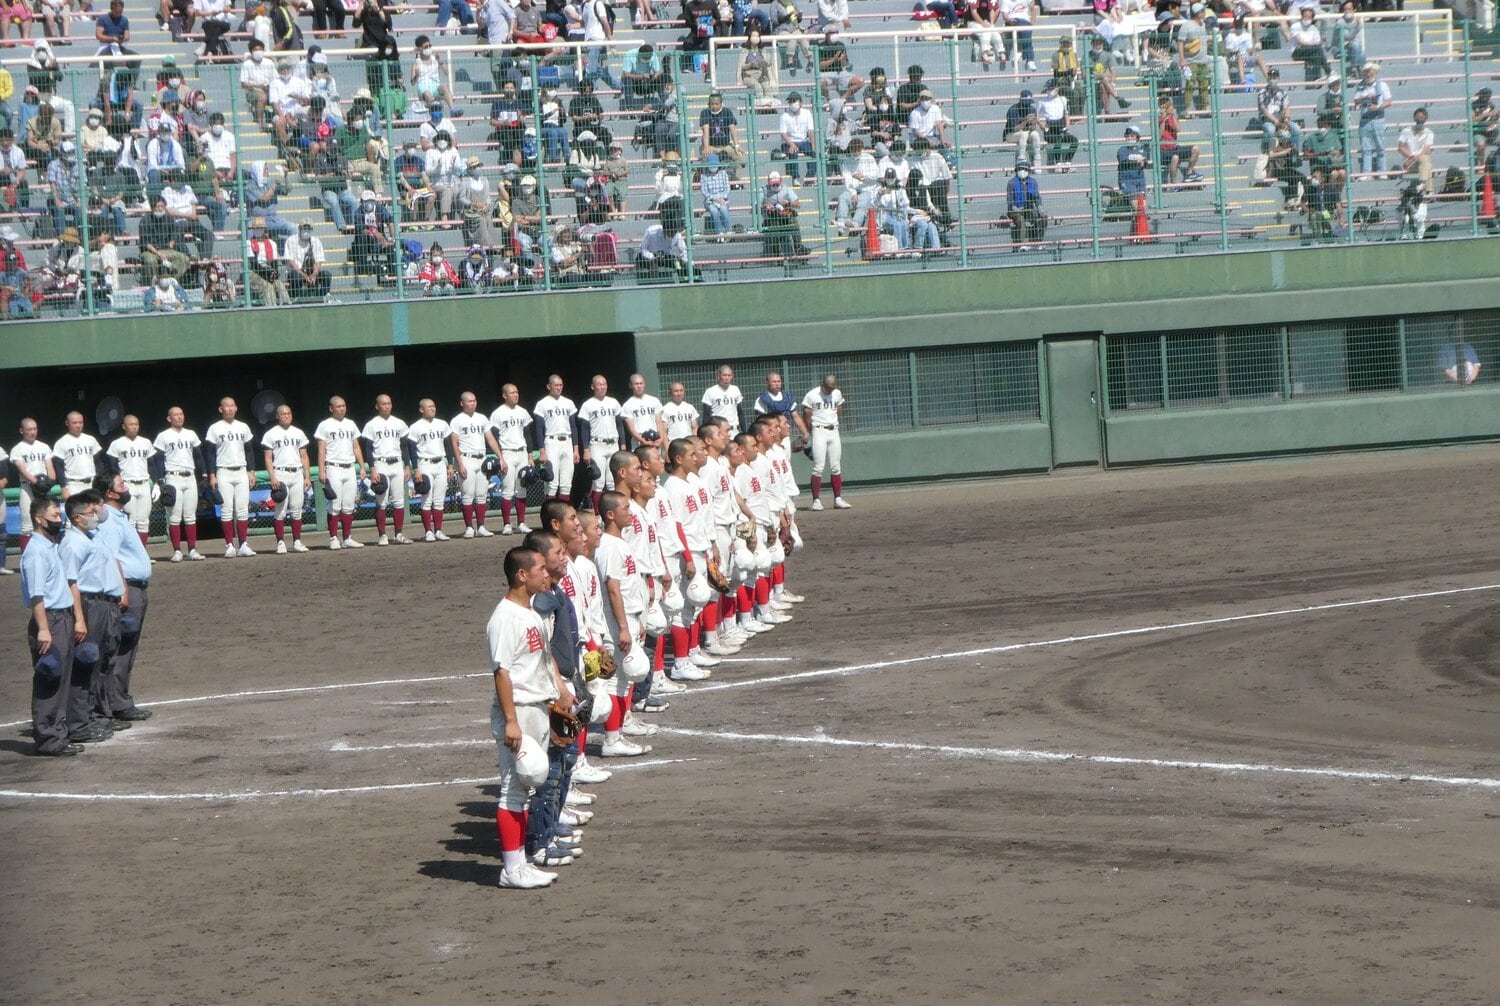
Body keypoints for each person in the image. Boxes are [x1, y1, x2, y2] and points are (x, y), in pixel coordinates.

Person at [487, 545, 567, 889]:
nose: (545, 574)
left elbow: (544, 659)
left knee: (528, 785)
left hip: (538, 706)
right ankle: (511, 868)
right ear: (522, 574)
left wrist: (560, 692)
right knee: (514, 788)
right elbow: (501, 671)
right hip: (518, 709)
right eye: (539, 569)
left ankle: (520, 863)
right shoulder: (504, 618)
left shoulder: (531, 612)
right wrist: (510, 720)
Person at [20, 495, 87, 757]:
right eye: (55, 516)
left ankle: (58, 733)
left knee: (63, 679)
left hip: (63, 617)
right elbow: (37, 595)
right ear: (39, 519)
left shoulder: (50, 546)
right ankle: (48, 738)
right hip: (50, 619)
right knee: (51, 678)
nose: (60, 520)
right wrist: (43, 629)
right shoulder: (36, 552)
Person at [57, 491, 118, 747]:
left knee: (96, 663)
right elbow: (71, 582)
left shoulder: (89, 537)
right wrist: (79, 618)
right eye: (91, 512)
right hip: (88, 603)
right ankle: (79, 724)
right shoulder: (72, 543)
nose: (96, 516)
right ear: (77, 517)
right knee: (85, 663)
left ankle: (89, 716)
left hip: (100, 602)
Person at [92, 474, 153, 727]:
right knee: (118, 649)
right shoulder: (108, 519)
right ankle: (113, 705)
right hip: (127, 591)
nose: (126, 488)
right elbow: (111, 557)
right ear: (109, 493)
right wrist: (123, 590)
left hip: (135, 589)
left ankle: (118, 701)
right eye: (121, 485)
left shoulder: (118, 516)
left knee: (127, 647)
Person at [205, 396, 257, 558]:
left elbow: (249, 450)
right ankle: (229, 545)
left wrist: (252, 471)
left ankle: (243, 544)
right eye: (226, 406)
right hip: (223, 471)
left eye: (232, 406)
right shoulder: (215, 428)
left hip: (241, 470)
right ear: (221, 409)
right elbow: (210, 453)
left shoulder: (243, 426)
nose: (229, 408)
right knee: (226, 510)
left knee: (242, 509)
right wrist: (212, 475)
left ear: (236, 408)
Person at [315, 396, 367, 551]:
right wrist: (321, 469)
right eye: (338, 406)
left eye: (344, 405)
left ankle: (347, 537)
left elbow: (356, 446)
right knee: (335, 505)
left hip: (350, 467)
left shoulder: (350, 423)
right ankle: (333, 538)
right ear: (331, 408)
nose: (342, 408)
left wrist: (362, 466)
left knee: (349, 505)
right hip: (333, 466)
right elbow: (321, 449)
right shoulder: (324, 425)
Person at [154, 406, 204, 561]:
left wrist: (204, 474)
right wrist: (160, 480)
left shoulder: (191, 434)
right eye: (176, 415)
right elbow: (157, 459)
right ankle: (177, 550)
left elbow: (198, 455)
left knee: (190, 516)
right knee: (174, 516)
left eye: (181, 414)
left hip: (190, 476)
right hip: (172, 477)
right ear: (169, 418)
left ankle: (192, 550)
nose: (179, 417)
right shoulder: (163, 436)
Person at [361, 394, 413, 546]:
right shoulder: (372, 424)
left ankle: (398, 534)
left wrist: (407, 466)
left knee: (399, 501)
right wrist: (372, 469)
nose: (387, 406)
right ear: (377, 406)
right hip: (380, 463)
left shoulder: (399, 423)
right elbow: (368, 448)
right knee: (381, 502)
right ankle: (382, 535)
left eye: (389, 403)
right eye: (383, 404)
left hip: (397, 463)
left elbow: (404, 446)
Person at [450, 390, 503, 539]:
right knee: (467, 495)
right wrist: (459, 463)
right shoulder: (457, 420)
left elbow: (490, 439)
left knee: (481, 495)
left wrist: (500, 457)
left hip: (482, 458)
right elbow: (454, 443)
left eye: (474, 401)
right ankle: (469, 528)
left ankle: (481, 526)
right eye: (469, 401)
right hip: (466, 458)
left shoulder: (482, 418)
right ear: (462, 403)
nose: (473, 403)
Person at [260, 405, 311, 555]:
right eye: (283, 414)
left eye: (289, 413)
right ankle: (280, 542)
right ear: (277, 416)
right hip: (280, 473)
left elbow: (304, 455)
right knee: (280, 510)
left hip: (297, 473)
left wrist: (307, 476)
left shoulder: (299, 432)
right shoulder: (271, 434)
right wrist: (272, 476)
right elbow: (268, 458)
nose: (286, 416)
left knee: (297, 509)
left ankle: (297, 541)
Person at [488, 384, 534, 535]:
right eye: (512, 392)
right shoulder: (498, 413)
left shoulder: (523, 412)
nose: (516, 395)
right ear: (504, 395)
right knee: (507, 490)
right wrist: (499, 457)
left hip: (521, 452)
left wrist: (530, 456)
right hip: (507, 453)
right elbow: (493, 437)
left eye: (517, 392)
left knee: (522, 489)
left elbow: (528, 435)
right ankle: (507, 524)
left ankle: (521, 523)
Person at [104, 415, 157, 548]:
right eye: (131, 424)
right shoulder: (117, 443)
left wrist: (156, 483)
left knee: (144, 521)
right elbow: (112, 466)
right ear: (124, 426)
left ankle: (142, 552)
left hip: (144, 483)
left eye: (136, 424)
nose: (134, 427)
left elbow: (152, 464)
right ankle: (131, 551)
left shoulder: (146, 442)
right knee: (131, 521)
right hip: (127, 484)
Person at [406, 398, 454, 542]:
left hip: (440, 463)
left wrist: (450, 465)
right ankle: (428, 531)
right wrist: (416, 469)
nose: (432, 409)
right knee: (426, 500)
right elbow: (412, 450)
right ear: (421, 409)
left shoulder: (442, 424)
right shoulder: (415, 427)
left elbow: (448, 445)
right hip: (424, 463)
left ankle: (438, 530)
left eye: (433, 406)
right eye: (429, 407)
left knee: (439, 500)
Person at [802, 374, 850, 510]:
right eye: (828, 388)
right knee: (819, 467)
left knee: (836, 466)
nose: (830, 391)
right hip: (819, 430)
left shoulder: (837, 393)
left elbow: (839, 408)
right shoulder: (812, 395)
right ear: (822, 384)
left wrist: (833, 421)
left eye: (832, 388)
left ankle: (838, 498)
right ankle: (816, 500)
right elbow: (806, 413)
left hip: (833, 430)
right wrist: (810, 430)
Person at [577, 376, 624, 510]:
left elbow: (620, 425)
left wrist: (623, 444)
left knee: (612, 482)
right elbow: (584, 429)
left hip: (613, 443)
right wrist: (585, 449)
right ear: (593, 387)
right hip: (597, 444)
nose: (602, 387)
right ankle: (598, 515)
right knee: (598, 481)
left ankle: (613, 511)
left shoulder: (613, 402)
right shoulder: (588, 404)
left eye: (604, 384)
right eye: (599, 384)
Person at [534, 375, 579, 503]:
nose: (559, 388)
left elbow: (574, 426)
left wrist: (576, 449)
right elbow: (538, 429)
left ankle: (563, 515)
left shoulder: (568, 402)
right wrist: (542, 451)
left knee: (566, 484)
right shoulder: (542, 403)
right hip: (551, 441)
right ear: (549, 386)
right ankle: (550, 513)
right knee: (552, 483)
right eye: (556, 385)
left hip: (567, 441)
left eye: (560, 385)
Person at [53, 410, 103, 500]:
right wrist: (63, 488)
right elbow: (59, 468)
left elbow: (98, 463)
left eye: (80, 422)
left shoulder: (90, 439)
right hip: (73, 484)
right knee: (77, 513)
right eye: (74, 423)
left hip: (92, 483)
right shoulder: (61, 443)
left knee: (94, 513)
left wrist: (100, 482)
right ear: (67, 423)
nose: (78, 425)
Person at [1352, 61, 1391, 174]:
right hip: (1365, 120)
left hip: (1378, 119)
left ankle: (1381, 171)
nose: (1368, 74)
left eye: (1370, 72)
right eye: (1366, 72)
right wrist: (1364, 98)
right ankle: (1367, 172)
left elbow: (1388, 101)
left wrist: (1378, 106)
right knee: (1366, 148)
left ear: (1375, 72)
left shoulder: (1383, 85)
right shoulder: (1360, 86)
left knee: (1380, 147)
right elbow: (1356, 101)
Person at [753, 371, 809, 443]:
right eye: (774, 382)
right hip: (771, 436)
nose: (777, 384)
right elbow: (759, 421)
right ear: (767, 383)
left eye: (779, 381)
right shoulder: (762, 399)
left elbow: (796, 417)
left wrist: (805, 434)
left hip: (785, 435)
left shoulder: (788, 398)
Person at [778, 92, 817, 183]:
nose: (792, 103)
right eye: (790, 101)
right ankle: (795, 177)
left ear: (800, 102)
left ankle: (810, 178)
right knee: (793, 151)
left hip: (803, 141)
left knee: (814, 153)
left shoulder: (807, 113)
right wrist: (791, 144)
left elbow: (810, 131)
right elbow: (783, 134)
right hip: (788, 142)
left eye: (794, 101)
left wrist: (813, 145)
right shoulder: (784, 116)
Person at [1007, 160, 1046, 248]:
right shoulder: (1011, 183)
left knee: (1042, 218)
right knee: (1020, 219)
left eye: (1025, 169)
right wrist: (1015, 209)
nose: (1022, 171)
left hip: (1029, 208)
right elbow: (1010, 200)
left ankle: (1038, 241)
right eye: (1020, 169)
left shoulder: (1033, 182)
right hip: (1015, 210)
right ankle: (1024, 243)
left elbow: (1037, 197)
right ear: (1016, 170)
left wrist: (1040, 208)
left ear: (1028, 171)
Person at [1397, 107, 1434, 192]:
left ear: (1425, 119)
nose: (1419, 119)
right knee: (1427, 163)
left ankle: (1423, 184)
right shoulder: (1406, 131)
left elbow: (1426, 149)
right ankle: (1428, 189)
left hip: (1421, 160)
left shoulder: (1429, 133)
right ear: (1414, 118)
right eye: (1418, 117)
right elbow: (1400, 147)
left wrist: (1418, 157)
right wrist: (1411, 156)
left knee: (1425, 159)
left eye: (1422, 118)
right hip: (1410, 162)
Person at [701, 365, 744, 436]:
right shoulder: (710, 391)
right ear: (718, 376)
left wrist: (744, 431)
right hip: (719, 431)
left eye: (729, 375)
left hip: (734, 430)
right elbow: (706, 415)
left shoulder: (735, 389)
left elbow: (740, 412)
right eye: (724, 375)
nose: (727, 378)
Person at [999, 0, 1038, 71]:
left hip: (1024, 22)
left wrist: (1032, 23)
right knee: (1022, 29)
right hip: (1011, 22)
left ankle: (1026, 58)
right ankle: (1029, 59)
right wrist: (1010, 20)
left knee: (1025, 28)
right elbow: (1005, 16)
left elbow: (1033, 8)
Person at [1117, 125, 1150, 196]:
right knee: (1134, 199)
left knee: (1143, 203)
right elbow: (1123, 162)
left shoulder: (1141, 150)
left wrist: (1143, 163)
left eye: (1132, 136)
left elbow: (1145, 164)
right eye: (1127, 136)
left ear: (1137, 137)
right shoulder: (1122, 150)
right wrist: (1136, 162)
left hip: (1140, 179)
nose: (1129, 138)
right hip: (1127, 179)